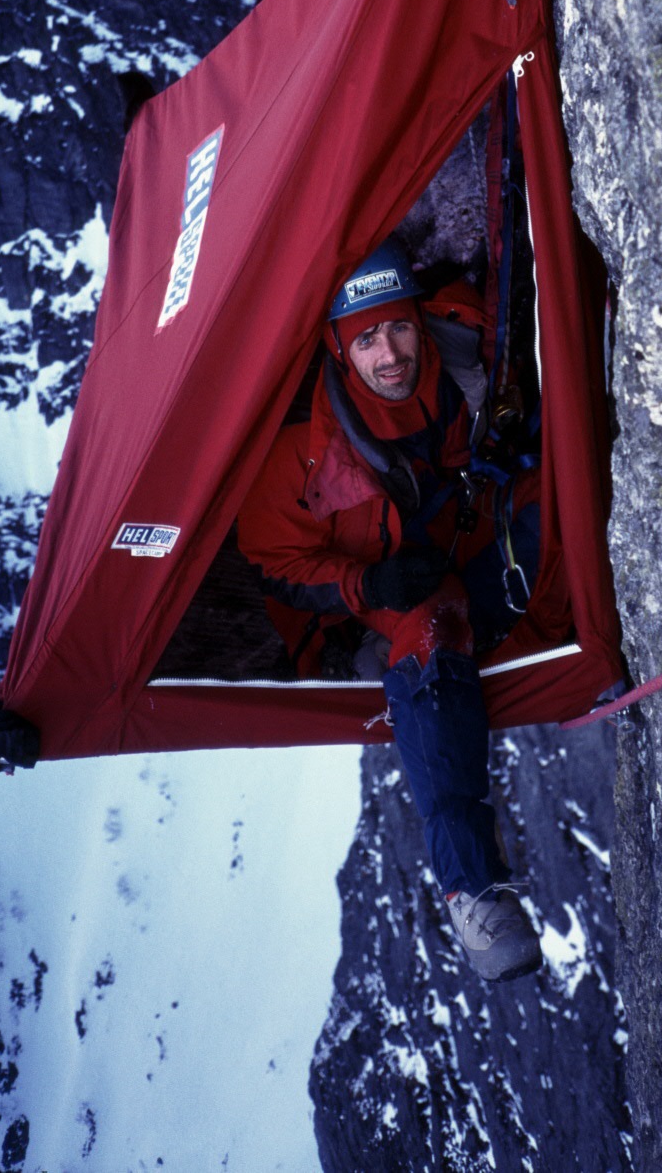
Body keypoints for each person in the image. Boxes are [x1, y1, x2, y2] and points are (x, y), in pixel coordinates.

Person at [237, 238, 544, 982]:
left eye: (399, 326)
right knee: (431, 626)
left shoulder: (468, 357)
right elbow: (272, 564)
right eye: (366, 338)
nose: (391, 355)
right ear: (339, 350)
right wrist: (367, 586)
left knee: (557, 507)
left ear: (418, 317)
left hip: (457, 533)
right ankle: (473, 890)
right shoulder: (302, 449)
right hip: (379, 584)